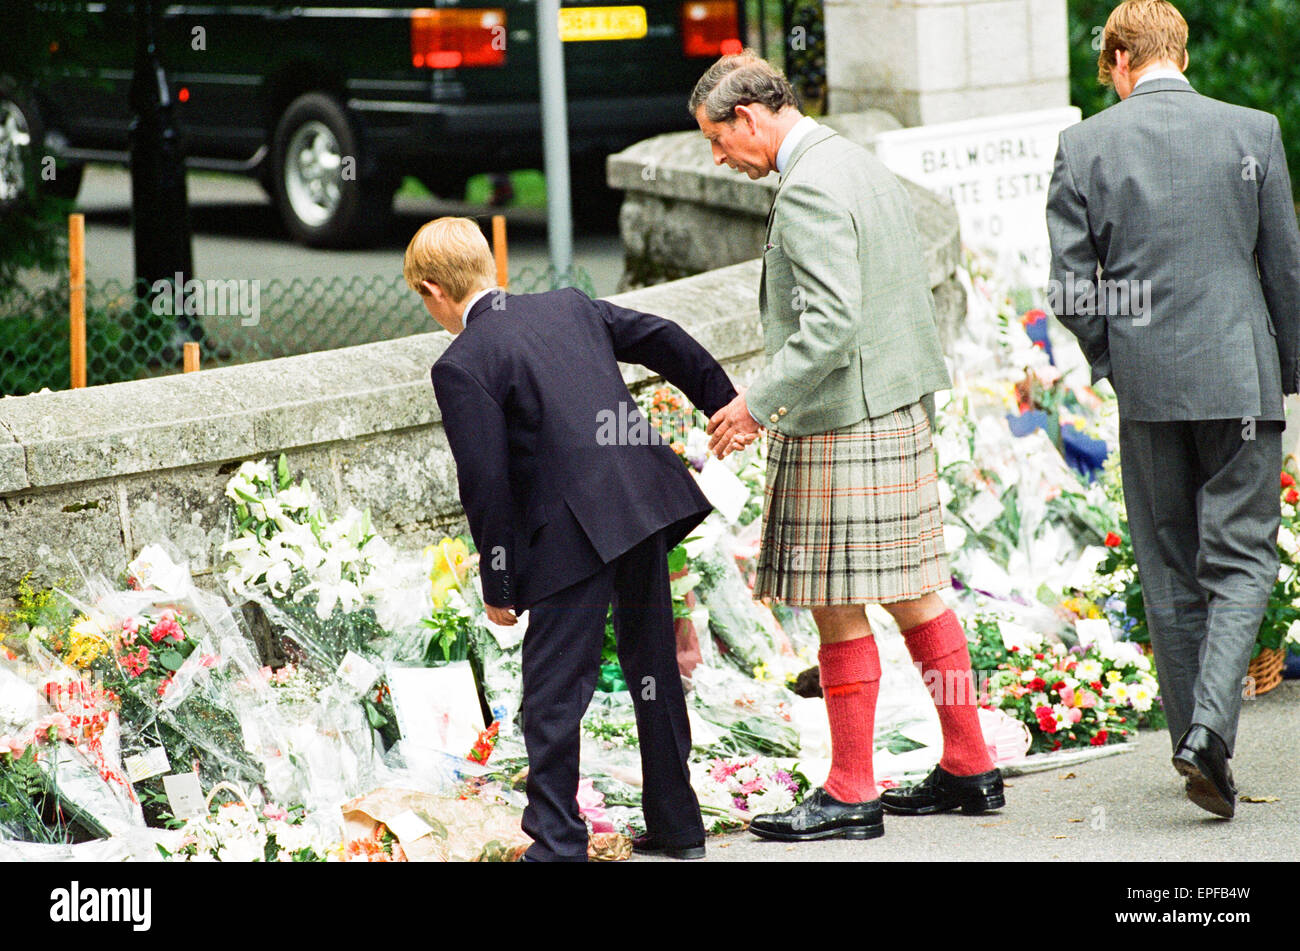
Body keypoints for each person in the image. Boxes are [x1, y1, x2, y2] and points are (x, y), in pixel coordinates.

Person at [693, 53, 1003, 842]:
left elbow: (829, 323)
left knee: (835, 603)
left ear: (750, 118)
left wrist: (754, 403)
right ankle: (971, 765)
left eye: (717, 140)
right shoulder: (855, 162)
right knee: (917, 593)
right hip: (893, 402)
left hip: (844, 414)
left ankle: (850, 791)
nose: (718, 158)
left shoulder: (810, 189)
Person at [406, 216, 749, 861]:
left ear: (432, 290)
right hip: (640, 506)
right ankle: (678, 827)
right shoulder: (566, 306)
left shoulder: (462, 362)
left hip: (571, 534)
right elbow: (662, 336)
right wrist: (721, 400)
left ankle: (558, 843)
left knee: (554, 693)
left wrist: (499, 582)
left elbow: (486, 481)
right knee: (654, 670)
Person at [1047, 0, 1300, 819]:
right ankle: (1208, 735)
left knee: (1168, 563)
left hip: (1150, 387)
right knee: (1243, 557)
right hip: (1241, 378)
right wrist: (1285, 374)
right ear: (1179, 54)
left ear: (1120, 59)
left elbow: (1072, 289)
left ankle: (1196, 740)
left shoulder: (1084, 145)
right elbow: (1284, 268)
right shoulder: (1252, 131)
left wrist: (1118, 362)